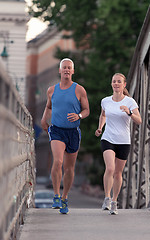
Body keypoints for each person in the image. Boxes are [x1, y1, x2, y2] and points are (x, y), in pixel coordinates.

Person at [40, 58, 90, 214]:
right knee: (58, 161)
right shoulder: (51, 90)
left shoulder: (79, 90)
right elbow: (48, 107)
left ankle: (64, 197)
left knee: (69, 168)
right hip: (56, 130)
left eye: (69, 68)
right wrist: (43, 119)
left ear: (73, 71)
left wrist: (79, 116)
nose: (67, 70)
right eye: (64, 68)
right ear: (60, 71)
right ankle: (55, 195)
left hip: (73, 132)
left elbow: (86, 110)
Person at [95, 73, 142, 215]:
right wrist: (100, 127)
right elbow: (103, 115)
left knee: (118, 172)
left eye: (119, 82)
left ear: (124, 85)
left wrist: (129, 113)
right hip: (108, 138)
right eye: (114, 81)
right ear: (111, 84)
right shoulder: (105, 101)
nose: (116, 84)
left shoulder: (130, 102)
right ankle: (107, 198)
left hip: (123, 141)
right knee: (110, 168)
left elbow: (139, 120)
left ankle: (115, 201)